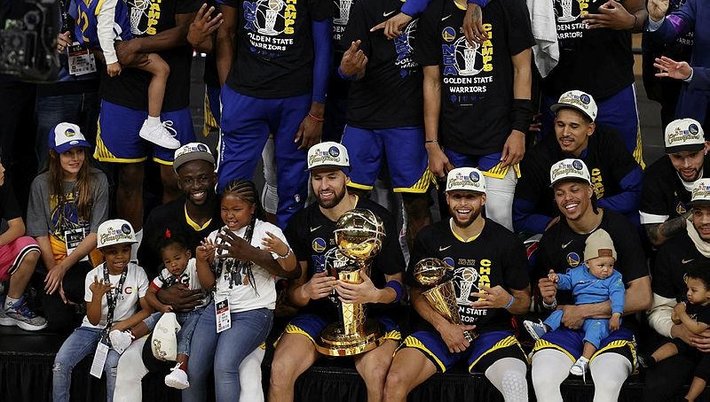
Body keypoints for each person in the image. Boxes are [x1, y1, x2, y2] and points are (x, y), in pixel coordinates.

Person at [269, 142, 406, 402]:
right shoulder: (302, 222)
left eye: (332, 177)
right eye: (317, 177)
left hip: (373, 315)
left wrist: (375, 295)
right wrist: (306, 291)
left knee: (377, 373)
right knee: (280, 369)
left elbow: (398, 287)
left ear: (347, 177)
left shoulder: (376, 218)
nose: (324, 186)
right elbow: (293, 295)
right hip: (319, 314)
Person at [383, 167, 531, 402]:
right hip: (436, 331)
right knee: (394, 381)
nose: (463, 204)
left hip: (489, 333)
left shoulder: (507, 241)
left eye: (470, 197)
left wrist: (507, 301)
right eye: (456, 196)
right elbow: (416, 292)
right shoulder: (429, 237)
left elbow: (523, 303)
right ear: (447, 198)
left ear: (483, 198)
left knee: (515, 383)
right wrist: (443, 327)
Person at [529, 158, 651, 402]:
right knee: (542, 376)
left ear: (590, 190)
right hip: (568, 328)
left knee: (607, 380)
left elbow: (642, 296)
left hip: (614, 326)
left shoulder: (620, 227)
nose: (568, 198)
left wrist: (584, 311)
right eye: (560, 193)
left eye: (575, 189)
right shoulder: (552, 237)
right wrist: (548, 299)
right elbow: (547, 304)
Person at [92, 0, 200, 260]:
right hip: (122, 88)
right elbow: (90, 26)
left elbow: (186, 30)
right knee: (129, 177)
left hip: (171, 91)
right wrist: (110, 52)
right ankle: (133, 255)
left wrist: (136, 45)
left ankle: (170, 252)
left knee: (172, 178)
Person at [415, 0, 534, 231]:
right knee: (457, 223)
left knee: (499, 220)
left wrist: (519, 129)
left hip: (499, 138)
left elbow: (523, 69)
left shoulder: (509, 5)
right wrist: (432, 144)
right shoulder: (434, 10)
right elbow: (431, 81)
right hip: (453, 141)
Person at [214, 0, 332, 228]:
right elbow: (225, 32)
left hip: (295, 97)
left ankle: (287, 246)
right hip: (244, 94)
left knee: (293, 185)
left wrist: (317, 111)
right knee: (230, 183)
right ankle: (231, 245)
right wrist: (227, 92)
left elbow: (323, 46)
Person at [184, 179, 297, 401]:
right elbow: (209, 284)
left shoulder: (267, 231)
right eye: (224, 209)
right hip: (218, 309)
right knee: (193, 369)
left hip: (254, 311)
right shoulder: (216, 235)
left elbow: (290, 270)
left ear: (252, 208)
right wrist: (201, 260)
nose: (230, 215)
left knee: (224, 366)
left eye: (237, 209)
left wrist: (281, 251)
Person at [338, 0, 434, 248]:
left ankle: (421, 269)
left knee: (417, 205)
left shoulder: (432, 5)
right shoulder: (366, 6)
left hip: (410, 120)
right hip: (364, 119)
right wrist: (347, 70)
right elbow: (353, 66)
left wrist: (408, 13)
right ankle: (354, 267)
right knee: (350, 202)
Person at [514, 90, 643, 234]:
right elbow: (519, 216)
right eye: (560, 125)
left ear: (590, 129)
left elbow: (637, 190)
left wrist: (591, 210)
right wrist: (553, 223)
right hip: (561, 230)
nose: (565, 133)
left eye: (574, 126)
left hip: (606, 218)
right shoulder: (538, 158)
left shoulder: (608, 141)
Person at [52, 219, 151, 402]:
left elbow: (146, 310)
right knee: (60, 363)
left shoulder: (138, 273)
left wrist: (121, 326)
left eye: (125, 250)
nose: (120, 256)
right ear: (102, 252)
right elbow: (94, 320)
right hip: (91, 328)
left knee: (113, 367)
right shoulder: (93, 275)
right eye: (113, 252)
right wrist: (97, 296)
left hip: (120, 332)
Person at [539, 0, 647, 165]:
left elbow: (642, 12)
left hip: (612, 90)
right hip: (556, 92)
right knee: (554, 170)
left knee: (625, 164)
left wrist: (630, 21)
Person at [28, 122, 109, 332]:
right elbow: (40, 234)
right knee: (58, 321)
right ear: (54, 155)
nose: (75, 158)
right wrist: (54, 271)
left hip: (87, 258)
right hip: (53, 258)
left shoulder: (98, 179)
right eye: (67, 153)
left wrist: (63, 268)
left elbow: (96, 232)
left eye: (79, 151)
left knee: (79, 290)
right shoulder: (40, 183)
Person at [69, 0, 177, 149]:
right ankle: (153, 124)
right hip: (117, 47)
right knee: (162, 69)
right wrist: (111, 60)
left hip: (94, 43)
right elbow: (104, 29)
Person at [109, 234, 210, 390]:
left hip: (196, 312)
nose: (173, 265)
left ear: (188, 254)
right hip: (175, 311)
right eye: (168, 262)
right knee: (154, 317)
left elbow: (206, 274)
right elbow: (150, 293)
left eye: (177, 258)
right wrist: (162, 307)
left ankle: (180, 369)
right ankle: (129, 337)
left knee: (185, 335)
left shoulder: (193, 264)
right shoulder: (165, 274)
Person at [524, 229, 625, 378]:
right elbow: (567, 281)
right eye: (601, 265)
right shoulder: (577, 272)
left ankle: (584, 360)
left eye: (611, 265)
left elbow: (618, 296)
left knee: (595, 332)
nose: (606, 270)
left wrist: (616, 315)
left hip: (600, 318)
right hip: (577, 313)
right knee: (560, 312)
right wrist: (556, 278)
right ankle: (544, 328)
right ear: (587, 263)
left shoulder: (615, 277)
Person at [644, 178, 710, 401]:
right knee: (656, 388)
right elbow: (658, 310)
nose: (705, 221)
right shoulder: (672, 250)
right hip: (683, 340)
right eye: (698, 213)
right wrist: (677, 330)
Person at [639, 261, 710, 402]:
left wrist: (681, 314)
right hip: (688, 342)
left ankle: (689, 398)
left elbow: (697, 328)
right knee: (674, 344)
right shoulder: (691, 303)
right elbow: (676, 321)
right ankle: (651, 359)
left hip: (705, 349)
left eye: (693, 290)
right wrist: (676, 315)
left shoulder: (707, 310)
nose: (688, 293)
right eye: (688, 289)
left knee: (703, 371)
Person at [640, 118, 709, 247]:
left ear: (706, 148)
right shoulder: (655, 176)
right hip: (676, 247)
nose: (686, 165)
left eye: (693, 155)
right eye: (678, 157)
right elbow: (654, 237)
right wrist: (694, 214)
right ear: (668, 154)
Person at [647, 0, 710, 130]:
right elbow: (675, 25)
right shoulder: (700, 3)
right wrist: (657, 20)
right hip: (698, 106)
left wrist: (693, 74)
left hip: (698, 81)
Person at [0, 159, 46, 331]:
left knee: (29, 247)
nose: (3, 168)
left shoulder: (3, 185)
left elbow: (18, 227)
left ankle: (12, 305)